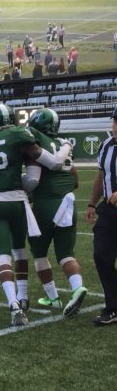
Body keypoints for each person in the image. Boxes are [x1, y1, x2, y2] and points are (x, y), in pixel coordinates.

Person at [0, 103, 73, 326]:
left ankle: (15, 305)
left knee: (2, 257)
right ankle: (24, 297)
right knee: (20, 251)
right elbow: (37, 160)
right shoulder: (17, 134)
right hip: (18, 201)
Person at [22, 108, 88, 318]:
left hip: (46, 204)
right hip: (68, 203)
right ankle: (77, 288)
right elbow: (75, 177)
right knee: (66, 254)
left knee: (39, 253)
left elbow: (33, 179)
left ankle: (52, 296)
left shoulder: (36, 141)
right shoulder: (62, 144)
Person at [85, 107, 117, 326]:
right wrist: (91, 203)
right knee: (101, 256)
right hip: (108, 210)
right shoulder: (106, 145)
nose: (115, 126)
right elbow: (100, 176)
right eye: (114, 122)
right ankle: (113, 307)